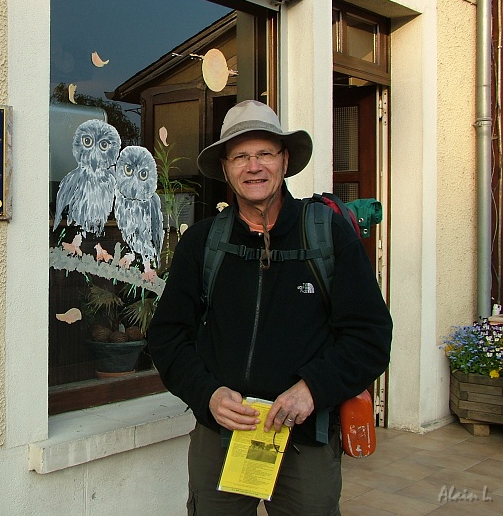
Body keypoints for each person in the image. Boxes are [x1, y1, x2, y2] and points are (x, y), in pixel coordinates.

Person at [148, 100, 393, 516]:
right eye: (240, 156)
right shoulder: (203, 243)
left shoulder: (327, 234)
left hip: (304, 439)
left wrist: (312, 388)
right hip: (223, 434)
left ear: (284, 160)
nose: (253, 166)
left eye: (264, 153)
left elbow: (370, 336)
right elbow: (167, 336)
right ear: (226, 169)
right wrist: (206, 394)